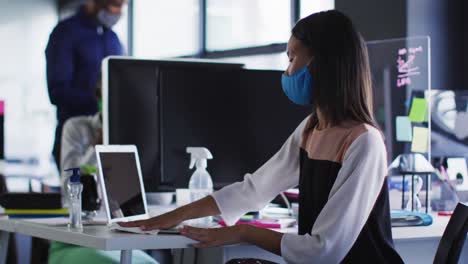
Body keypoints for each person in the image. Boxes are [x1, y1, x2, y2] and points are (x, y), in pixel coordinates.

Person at [121, 10, 404, 264]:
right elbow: (254, 190)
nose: (287, 70)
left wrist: (244, 232)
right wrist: (170, 217)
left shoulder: (364, 142)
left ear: (321, 63)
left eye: (293, 57)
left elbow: (323, 251)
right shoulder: (311, 129)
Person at [48, 79, 157, 264]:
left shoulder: (136, 136)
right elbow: (70, 188)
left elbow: (159, 199)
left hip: (121, 239)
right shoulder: (77, 127)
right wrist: (97, 148)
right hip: (77, 239)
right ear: (98, 96)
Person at [45, 0, 125, 169]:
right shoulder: (65, 33)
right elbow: (57, 91)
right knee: (78, 192)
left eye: (123, 6)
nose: (119, 12)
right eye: (115, 5)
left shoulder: (113, 39)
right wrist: (102, 103)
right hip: (76, 139)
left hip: (111, 138)